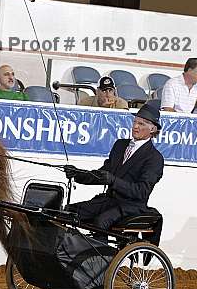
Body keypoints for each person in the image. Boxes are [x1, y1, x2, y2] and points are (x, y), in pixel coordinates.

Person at [64, 104, 164, 243]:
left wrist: (113, 181)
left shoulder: (154, 158)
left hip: (131, 206)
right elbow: (102, 174)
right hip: (108, 201)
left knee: (101, 221)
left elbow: (142, 191)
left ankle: (101, 255)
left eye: (141, 124)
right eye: (135, 122)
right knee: (67, 212)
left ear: (152, 129)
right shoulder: (120, 145)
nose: (135, 127)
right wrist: (77, 174)